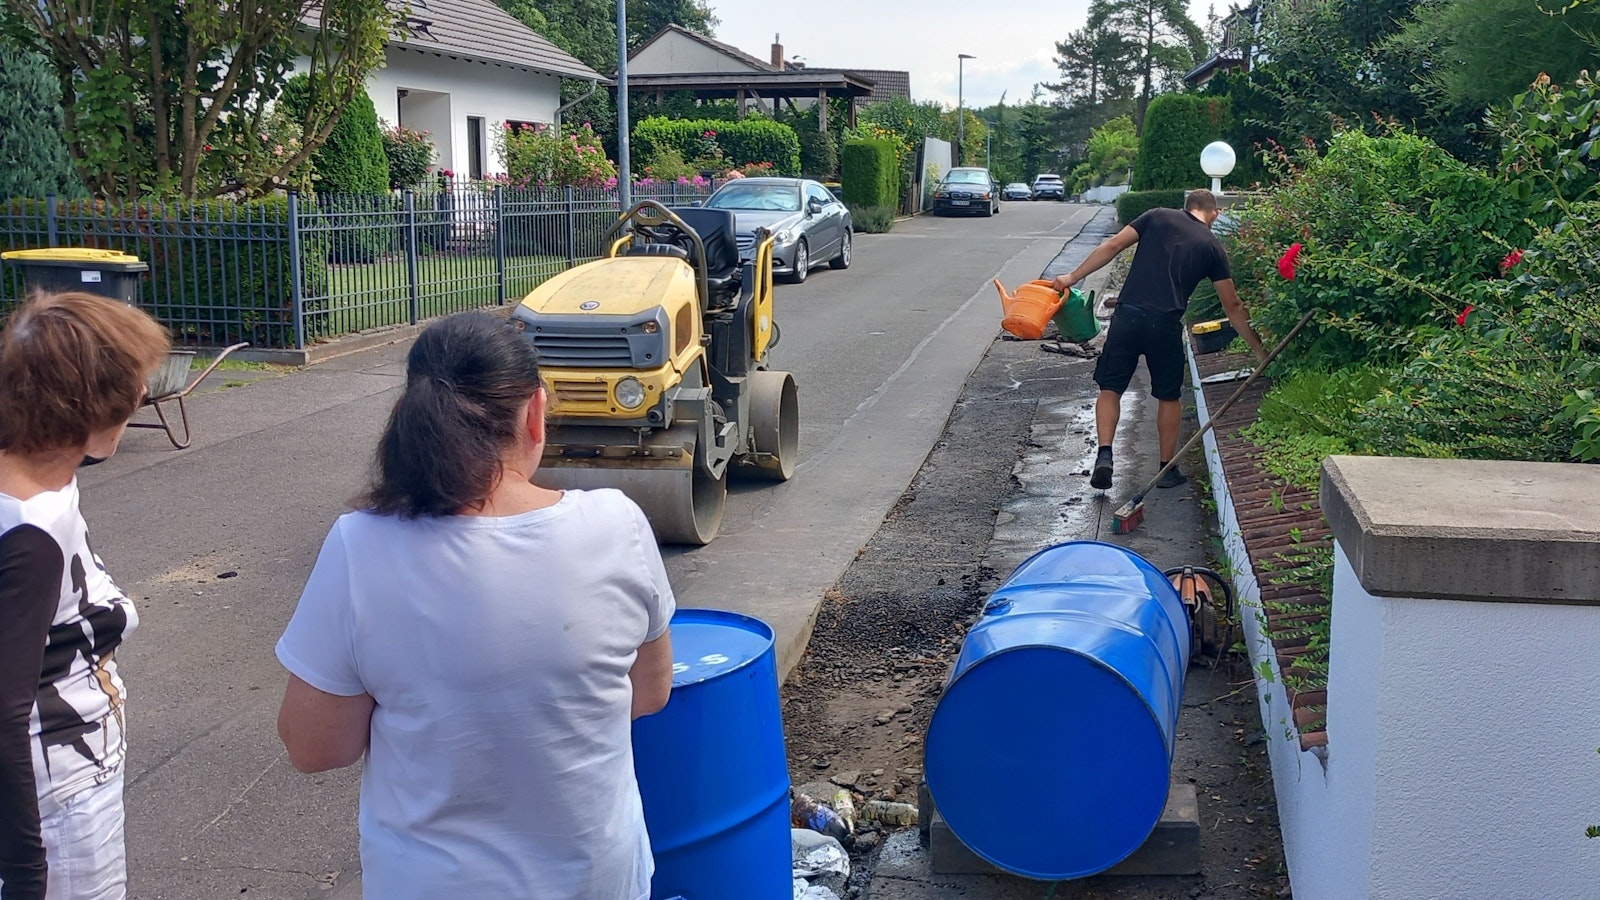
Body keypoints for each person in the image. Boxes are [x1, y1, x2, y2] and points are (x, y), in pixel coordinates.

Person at [274, 312, 676, 900]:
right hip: (598, 881)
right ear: (535, 413)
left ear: (411, 414)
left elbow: (314, 747)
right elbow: (650, 692)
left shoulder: (360, 547)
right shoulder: (618, 524)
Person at [0, 291, 170, 900]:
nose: (142, 394)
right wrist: (26, 873)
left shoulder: (35, 470)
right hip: (60, 798)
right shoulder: (32, 536)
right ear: (87, 407)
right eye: (130, 387)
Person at [1052, 190, 1266, 490]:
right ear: (1214, 214)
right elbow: (1232, 306)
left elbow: (1112, 245)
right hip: (1164, 324)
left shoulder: (1156, 216)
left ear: (1186, 206)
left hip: (1127, 317)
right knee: (1168, 396)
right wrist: (1258, 349)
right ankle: (1167, 469)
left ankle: (1105, 455)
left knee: (1111, 388)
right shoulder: (1212, 246)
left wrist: (1072, 277)